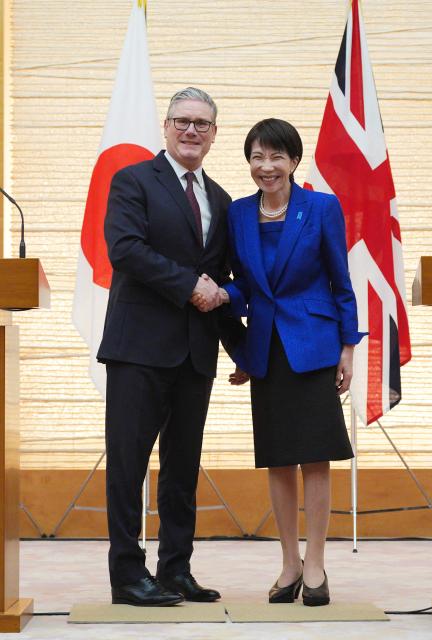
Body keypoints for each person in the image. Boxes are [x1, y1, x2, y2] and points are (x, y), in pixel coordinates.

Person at [195, 118, 365, 606]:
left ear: (294, 160)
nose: (266, 166)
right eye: (257, 157)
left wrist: (348, 348)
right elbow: (247, 285)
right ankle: (288, 564)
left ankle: (315, 565)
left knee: (315, 456)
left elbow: (341, 282)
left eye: (276, 157)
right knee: (277, 458)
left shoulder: (321, 207)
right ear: (248, 161)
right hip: (265, 347)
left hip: (314, 345)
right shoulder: (239, 214)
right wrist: (222, 295)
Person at [97, 87, 243, 606]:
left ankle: (175, 569)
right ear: (165, 126)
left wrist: (241, 351)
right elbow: (126, 250)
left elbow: (222, 280)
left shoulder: (222, 200)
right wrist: (188, 285)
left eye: (202, 124)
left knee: (182, 468)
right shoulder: (133, 180)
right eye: (182, 120)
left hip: (195, 353)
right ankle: (127, 576)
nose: (191, 131)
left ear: (214, 134)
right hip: (138, 348)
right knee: (127, 465)